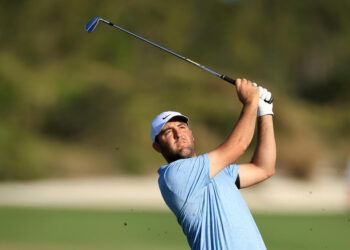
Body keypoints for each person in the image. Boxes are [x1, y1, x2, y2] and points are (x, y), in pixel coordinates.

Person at [150, 78, 276, 250]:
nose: (178, 134)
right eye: (167, 132)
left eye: (181, 127)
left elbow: (263, 169)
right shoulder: (174, 175)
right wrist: (250, 102)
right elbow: (238, 145)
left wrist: (265, 111)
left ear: (191, 134)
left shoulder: (219, 171)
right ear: (157, 147)